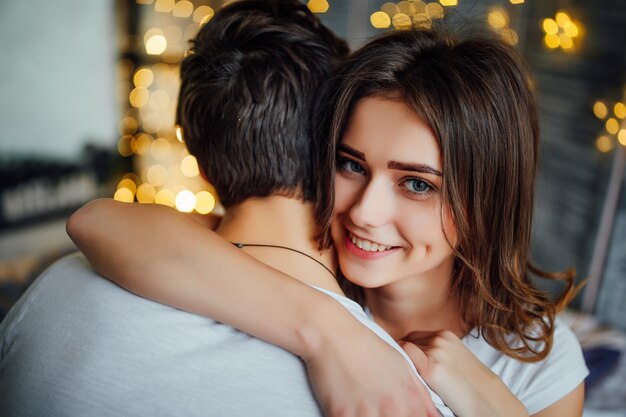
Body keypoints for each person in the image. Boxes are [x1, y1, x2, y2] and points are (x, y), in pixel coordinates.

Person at [68, 26, 588, 417]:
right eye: (351, 164)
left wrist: (493, 402)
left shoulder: (534, 361)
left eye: (418, 184)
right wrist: (333, 334)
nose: (364, 212)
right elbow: (98, 223)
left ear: (489, 199)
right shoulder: (296, 262)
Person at [0, 2, 446, 417]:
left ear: (200, 164)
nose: (371, 210)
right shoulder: (398, 391)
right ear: (337, 145)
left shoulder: (54, 290)